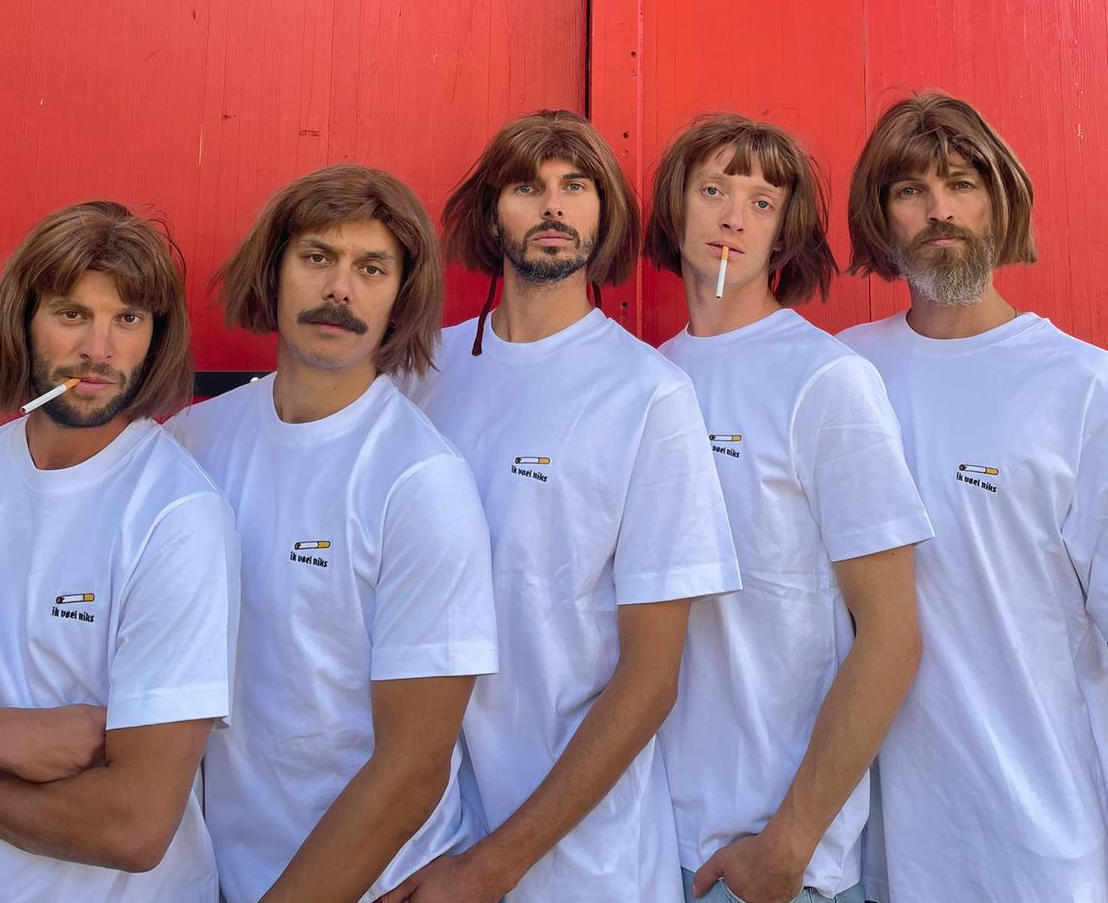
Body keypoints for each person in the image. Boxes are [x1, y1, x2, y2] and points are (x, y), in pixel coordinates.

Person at [387, 109, 740, 903]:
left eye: (575, 186)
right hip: (420, 844)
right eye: (527, 187)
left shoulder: (648, 394)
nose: (552, 205)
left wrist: (494, 867)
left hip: (585, 867)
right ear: (490, 216)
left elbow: (651, 679)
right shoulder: (420, 373)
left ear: (604, 215)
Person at [168, 166, 497, 903]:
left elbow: (413, 766)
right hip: (217, 876)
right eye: (317, 257)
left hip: (374, 883)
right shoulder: (193, 442)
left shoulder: (419, 480)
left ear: (400, 297)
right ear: (274, 271)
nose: (340, 290)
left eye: (371, 268)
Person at [0, 200, 239, 903]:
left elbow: (132, 828)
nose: (99, 349)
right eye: (71, 314)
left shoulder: (177, 517)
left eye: (128, 319)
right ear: (24, 321)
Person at [645, 114, 931, 903]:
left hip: (769, 862)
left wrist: (790, 843)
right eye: (713, 191)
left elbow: (893, 634)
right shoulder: (649, 378)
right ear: (676, 209)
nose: (734, 217)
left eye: (762, 202)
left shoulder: (824, 381)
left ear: (785, 232)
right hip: (646, 841)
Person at [841, 90, 1108, 903]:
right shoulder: (843, 375)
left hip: (1040, 848)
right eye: (911, 190)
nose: (940, 210)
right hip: (877, 854)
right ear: (882, 216)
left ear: (1001, 200)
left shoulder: (1083, 388)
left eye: (962, 184)